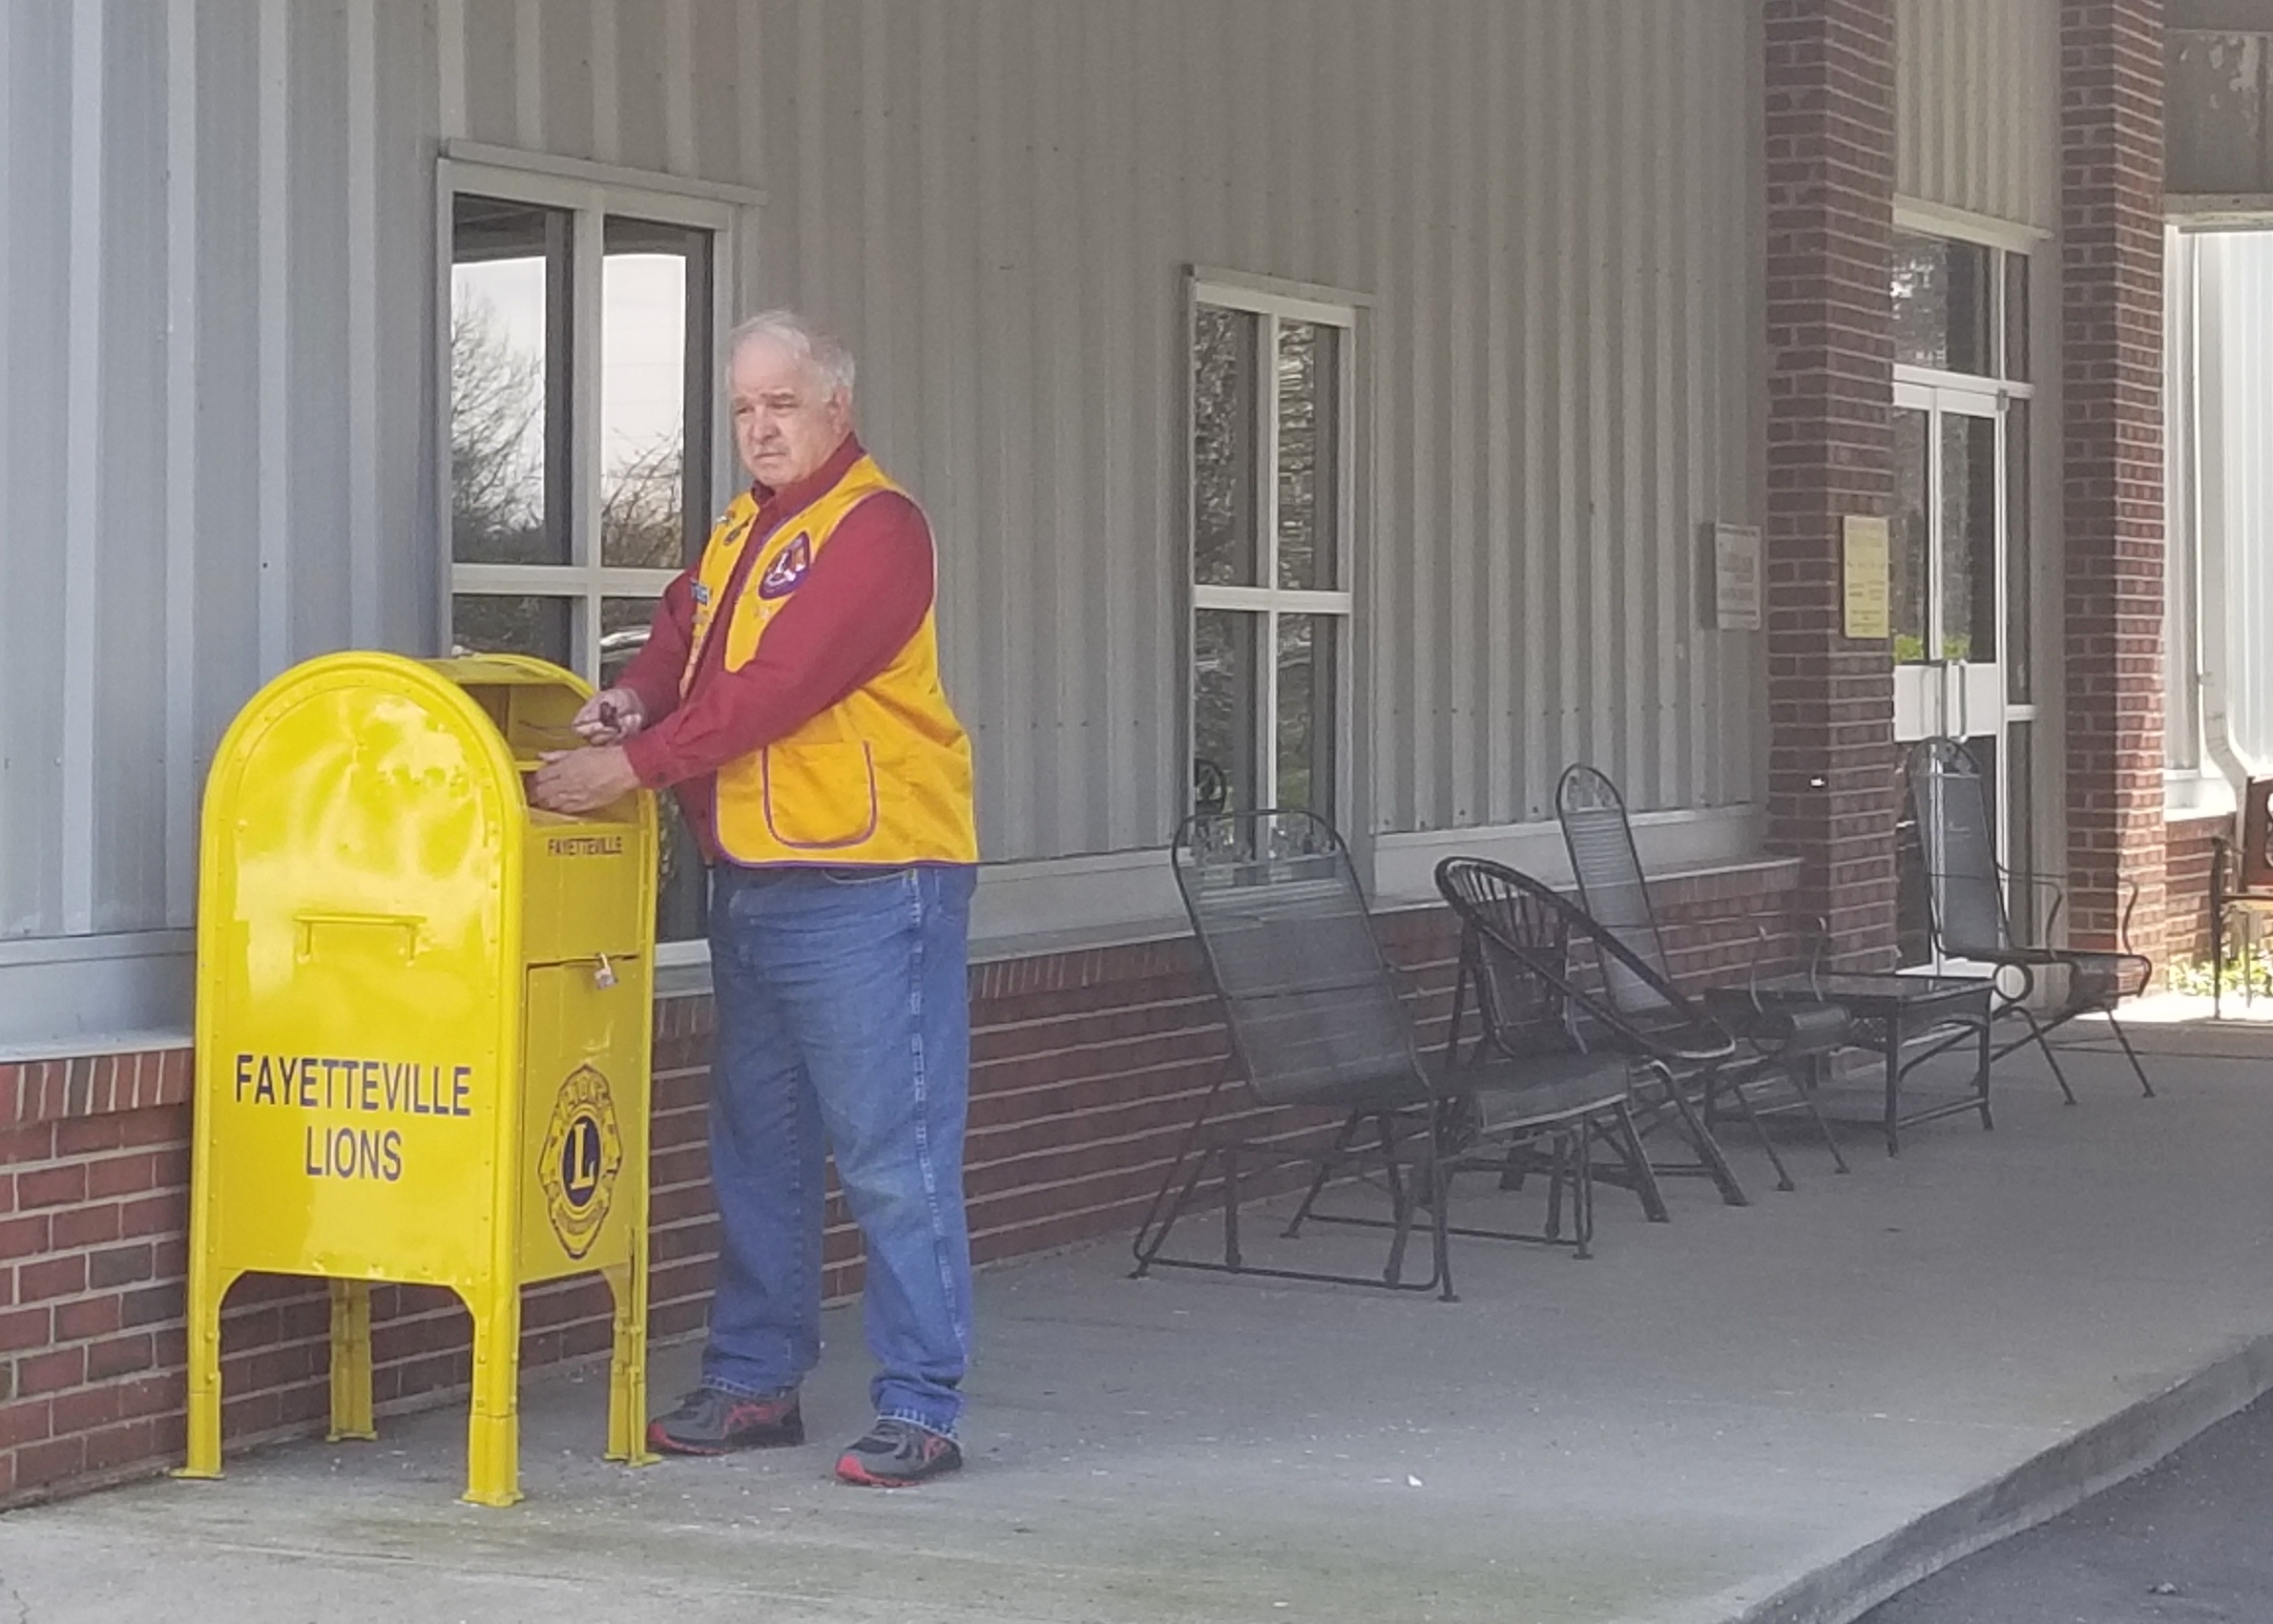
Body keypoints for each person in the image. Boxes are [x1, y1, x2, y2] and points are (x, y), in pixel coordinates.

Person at [529, 309, 979, 1489]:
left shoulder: (878, 530)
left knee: (893, 1151)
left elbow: (781, 688)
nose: (760, 426)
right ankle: (752, 1380)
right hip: (760, 882)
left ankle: (922, 1402)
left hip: (874, 883)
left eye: (782, 403)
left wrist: (627, 766)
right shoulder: (743, 531)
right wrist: (633, 697)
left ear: (837, 407)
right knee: (760, 1147)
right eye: (742, 407)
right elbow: (685, 632)